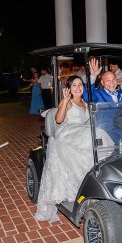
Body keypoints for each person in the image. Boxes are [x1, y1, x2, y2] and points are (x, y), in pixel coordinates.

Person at [34, 76, 112, 222]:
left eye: (80, 85)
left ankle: (102, 176)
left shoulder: (85, 103)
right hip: (67, 132)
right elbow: (58, 120)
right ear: (69, 88)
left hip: (82, 132)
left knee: (101, 135)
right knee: (96, 135)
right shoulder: (67, 102)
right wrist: (64, 101)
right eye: (74, 85)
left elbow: (91, 121)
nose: (77, 87)